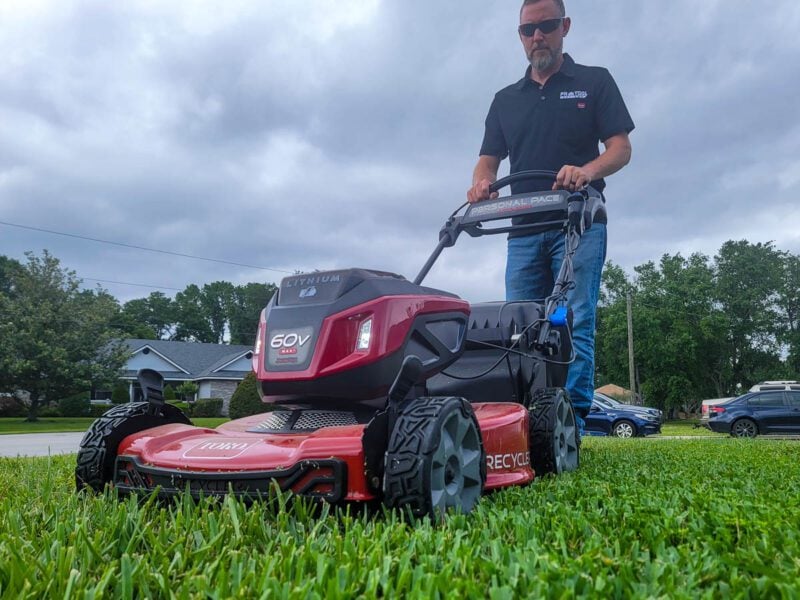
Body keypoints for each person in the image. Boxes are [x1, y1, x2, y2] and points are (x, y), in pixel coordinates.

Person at [466, 0, 634, 434]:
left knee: (570, 321)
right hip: (522, 229)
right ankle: (522, 424)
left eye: (546, 26)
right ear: (520, 36)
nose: (537, 36)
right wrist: (482, 183)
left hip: (577, 224)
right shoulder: (505, 100)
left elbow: (620, 148)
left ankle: (569, 425)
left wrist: (588, 170)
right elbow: (488, 160)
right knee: (518, 327)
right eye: (527, 30)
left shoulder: (594, 82)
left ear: (565, 27)